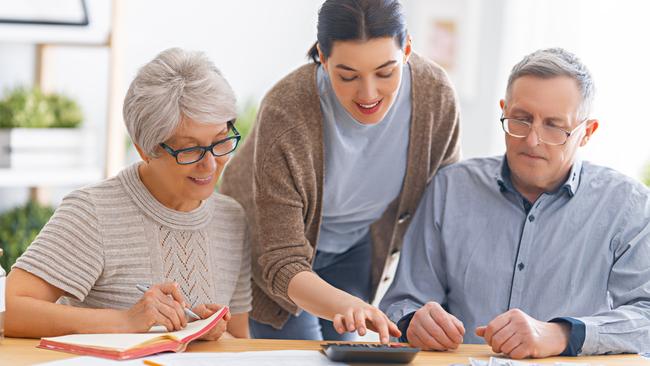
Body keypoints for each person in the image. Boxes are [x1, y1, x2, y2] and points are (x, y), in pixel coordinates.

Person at [380, 47, 650, 358]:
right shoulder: (450, 189)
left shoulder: (629, 206)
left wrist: (561, 334)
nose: (533, 139)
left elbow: (645, 317)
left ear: (586, 132)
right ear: (503, 110)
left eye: (553, 126)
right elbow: (402, 300)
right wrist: (412, 320)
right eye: (521, 119)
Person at [220, 0, 460, 343]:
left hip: (355, 245)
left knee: (344, 350)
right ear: (323, 56)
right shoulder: (286, 110)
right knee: (299, 355)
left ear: (407, 49)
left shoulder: (435, 97)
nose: (368, 94)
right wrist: (348, 305)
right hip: (276, 251)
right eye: (347, 76)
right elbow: (281, 259)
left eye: (385, 72)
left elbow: (443, 212)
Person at [5, 48, 251, 339]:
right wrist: (125, 321)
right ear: (144, 149)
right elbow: (9, 310)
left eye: (221, 141)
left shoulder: (232, 218)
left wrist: (205, 330)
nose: (209, 163)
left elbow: (239, 341)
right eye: (190, 149)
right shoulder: (93, 212)